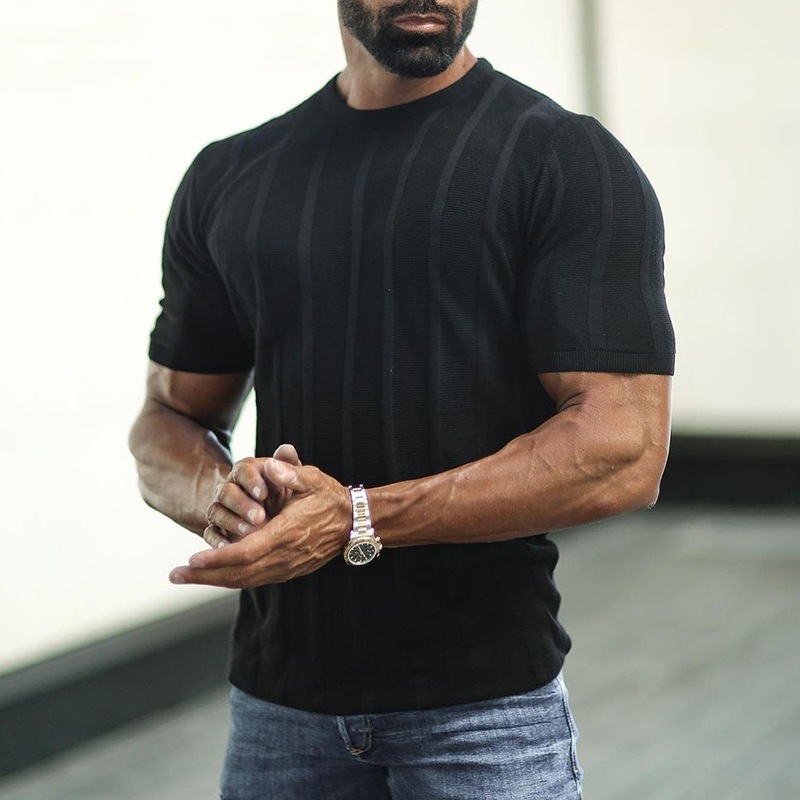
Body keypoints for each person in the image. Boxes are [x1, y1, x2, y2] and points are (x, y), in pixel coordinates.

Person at [129, 1, 675, 797]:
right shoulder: (232, 175)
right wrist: (222, 496)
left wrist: (356, 517)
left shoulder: (564, 160)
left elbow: (624, 451)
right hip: (279, 712)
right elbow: (167, 419)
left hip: (482, 716)